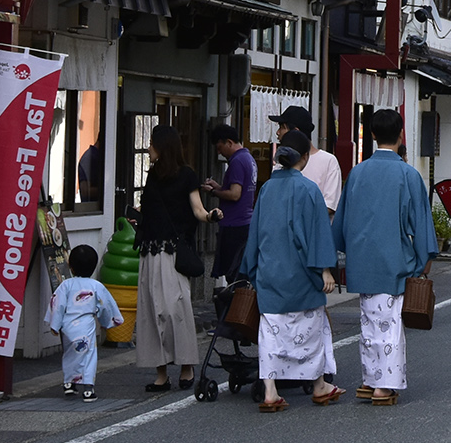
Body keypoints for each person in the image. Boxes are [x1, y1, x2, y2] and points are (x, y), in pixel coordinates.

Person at [332, 108, 437, 405]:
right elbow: (420, 222)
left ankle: (370, 378)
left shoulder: (358, 172)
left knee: (369, 321)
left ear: (373, 135)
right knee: (388, 324)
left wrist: (339, 251)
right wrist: (423, 258)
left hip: (363, 258)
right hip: (394, 259)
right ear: (401, 134)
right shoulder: (408, 174)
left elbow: (342, 220)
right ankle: (383, 385)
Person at [239, 129, 344, 412]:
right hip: (301, 275)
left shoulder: (267, 189)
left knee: (271, 333)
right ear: (305, 157)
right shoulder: (309, 189)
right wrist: (325, 270)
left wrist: (251, 267)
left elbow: (256, 232)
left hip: (271, 273)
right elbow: (319, 233)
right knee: (312, 329)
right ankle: (319, 384)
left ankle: (270, 391)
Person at [133, 124, 213, 392]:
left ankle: (187, 365)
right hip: (149, 249)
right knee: (150, 310)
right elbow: (149, 208)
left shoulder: (187, 175)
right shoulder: (153, 175)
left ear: (163, 146)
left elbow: (198, 210)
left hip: (172, 252)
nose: (148, 148)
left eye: (152, 143)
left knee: (174, 308)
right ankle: (161, 372)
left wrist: (211, 215)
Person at [45, 244, 123, 401]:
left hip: (68, 326)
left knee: (70, 354)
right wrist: (108, 321)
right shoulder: (96, 286)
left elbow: (57, 305)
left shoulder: (65, 285)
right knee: (88, 355)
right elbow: (105, 305)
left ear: (71, 267)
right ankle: (88, 388)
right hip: (85, 325)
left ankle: (69, 383)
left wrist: (55, 325)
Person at [207, 124, 255, 282]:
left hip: (234, 224)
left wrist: (213, 192)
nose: (219, 152)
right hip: (245, 222)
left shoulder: (237, 161)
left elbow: (235, 194)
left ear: (229, 142)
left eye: (220, 147)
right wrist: (219, 187)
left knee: (232, 274)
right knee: (239, 272)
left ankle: (232, 306)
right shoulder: (248, 158)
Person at [271, 105, 341, 215]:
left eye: (282, 127)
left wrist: (293, 213)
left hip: (314, 230)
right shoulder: (281, 161)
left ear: (296, 132)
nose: (278, 132)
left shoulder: (328, 161)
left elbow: (329, 206)